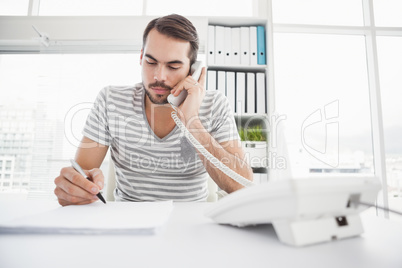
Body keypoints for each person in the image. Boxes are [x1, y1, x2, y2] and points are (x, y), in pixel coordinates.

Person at [54, 14, 253, 206]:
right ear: (141, 57)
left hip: (189, 225)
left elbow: (243, 186)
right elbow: (82, 177)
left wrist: (191, 120)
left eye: (173, 66)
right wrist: (74, 188)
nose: (159, 76)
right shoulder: (110, 101)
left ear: (192, 70)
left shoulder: (215, 105)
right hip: (128, 223)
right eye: (151, 62)